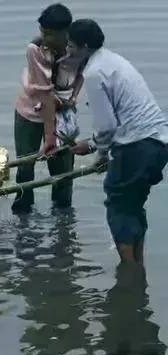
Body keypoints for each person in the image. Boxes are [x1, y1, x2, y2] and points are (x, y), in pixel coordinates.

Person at [69, 19, 168, 264]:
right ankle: (137, 265)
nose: (68, 51)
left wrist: (101, 156)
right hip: (158, 142)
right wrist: (92, 144)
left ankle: (129, 273)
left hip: (136, 146)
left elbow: (107, 127)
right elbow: (114, 124)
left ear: (83, 46)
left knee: (119, 206)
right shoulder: (113, 60)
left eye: (70, 45)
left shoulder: (93, 73)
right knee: (133, 205)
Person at [12, 3, 85, 214]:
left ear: (65, 33)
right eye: (43, 32)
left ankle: (63, 219)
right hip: (31, 113)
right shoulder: (35, 49)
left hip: (62, 113)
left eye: (50, 34)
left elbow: (82, 74)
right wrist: (50, 136)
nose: (45, 38)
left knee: (63, 170)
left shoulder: (78, 50)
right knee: (26, 166)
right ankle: (23, 215)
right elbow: (44, 94)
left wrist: (72, 97)